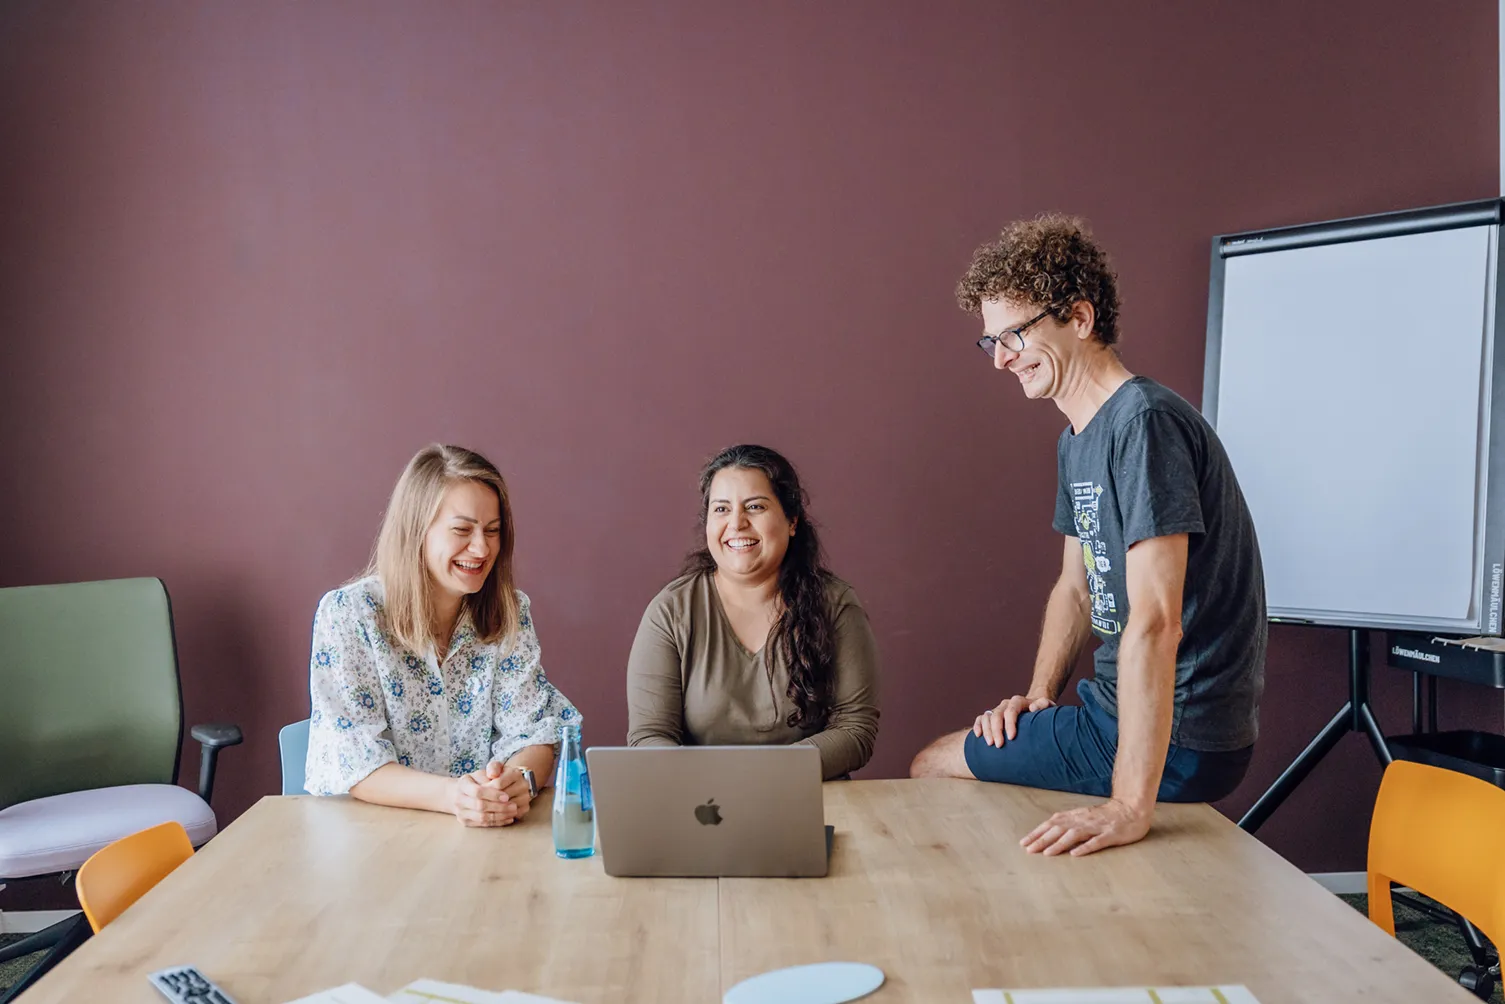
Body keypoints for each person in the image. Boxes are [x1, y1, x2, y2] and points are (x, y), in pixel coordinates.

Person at [910, 215, 1266, 857]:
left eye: (1014, 334)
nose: (1001, 360)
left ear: (1078, 316)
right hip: (1113, 713)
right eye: (990, 342)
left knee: (932, 764)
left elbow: (1157, 620)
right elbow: (1076, 589)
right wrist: (1040, 697)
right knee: (967, 757)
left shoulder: (1145, 425)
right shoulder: (1078, 438)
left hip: (1180, 735)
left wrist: (1130, 807)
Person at [305, 443, 580, 827]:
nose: (482, 547)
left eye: (493, 530)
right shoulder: (349, 616)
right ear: (416, 530)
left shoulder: (509, 613)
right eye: (462, 530)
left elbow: (534, 731)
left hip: (481, 835)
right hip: (367, 839)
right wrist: (456, 797)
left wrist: (519, 781)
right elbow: (357, 762)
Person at [626, 444, 880, 779]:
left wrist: (763, 775)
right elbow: (648, 737)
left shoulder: (834, 604)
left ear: (792, 521)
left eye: (755, 506)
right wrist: (716, 781)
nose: (736, 523)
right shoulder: (671, 610)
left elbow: (855, 730)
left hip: (810, 801)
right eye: (721, 509)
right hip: (701, 805)